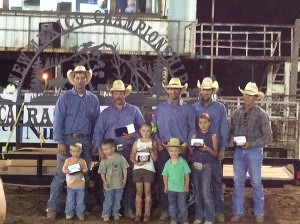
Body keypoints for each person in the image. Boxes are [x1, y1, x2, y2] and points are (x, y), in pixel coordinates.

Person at [46, 65, 100, 219]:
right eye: (77, 78)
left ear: (86, 80)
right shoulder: (64, 97)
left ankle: (80, 208)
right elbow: (58, 120)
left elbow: (96, 122)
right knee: (60, 175)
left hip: (86, 140)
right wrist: (60, 142)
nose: (80, 80)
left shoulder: (93, 99)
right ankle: (52, 207)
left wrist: (94, 141)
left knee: (84, 174)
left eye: (83, 78)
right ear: (73, 80)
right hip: (68, 139)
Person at [93, 80, 145, 219]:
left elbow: (145, 129)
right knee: (109, 180)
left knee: (129, 181)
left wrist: (134, 135)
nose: (119, 96)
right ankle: (107, 209)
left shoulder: (134, 111)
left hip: (129, 150)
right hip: (110, 151)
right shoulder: (106, 113)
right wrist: (99, 148)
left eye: (121, 93)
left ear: (125, 94)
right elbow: (98, 131)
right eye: (116, 93)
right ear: (112, 95)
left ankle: (128, 208)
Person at [152, 77, 195, 221]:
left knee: (181, 178)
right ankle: (166, 209)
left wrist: (187, 144)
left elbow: (192, 129)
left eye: (176, 88)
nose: (173, 91)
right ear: (167, 91)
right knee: (164, 179)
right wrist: (157, 141)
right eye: (170, 88)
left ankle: (182, 210)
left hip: (181, 148)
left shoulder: (188, 109)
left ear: (181, 90)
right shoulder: (160, 108)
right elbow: (153, 126)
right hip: (164, 148)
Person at [229, 82, 272, 223]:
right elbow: (232, 131)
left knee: (256, 182)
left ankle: (259, 212)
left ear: (255, 98)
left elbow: (268, 137)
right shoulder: (237, 113)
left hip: (254, 151)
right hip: (239, 151)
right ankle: (238, 211)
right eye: (245, 95)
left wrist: (252, 144)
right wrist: (231, 140)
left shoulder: (261, 115)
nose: (247, 97)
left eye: (250, 95)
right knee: (238, 181)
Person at [192, 77, 228, 223]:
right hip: (199, 151)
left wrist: (223, 149)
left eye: (208, 90)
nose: (205, 92)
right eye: (203, 89)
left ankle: (219, 211)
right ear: (200, 91)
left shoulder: (220, 108)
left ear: (212, 91)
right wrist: (191, 145)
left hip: (214, 149)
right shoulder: (194, 108)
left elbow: (224, 129)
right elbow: (192, 128)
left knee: (217, 182)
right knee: (201, 186)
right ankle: (202, 214)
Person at [190, 113, 218, 224]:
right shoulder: (194, 135)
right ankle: (199, 216)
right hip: (195, 166)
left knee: (206, 192)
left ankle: (210, 217)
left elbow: (215, 154)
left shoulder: (213, 136)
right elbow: (191, 153)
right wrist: (191, 148)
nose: (203, 125)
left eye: (205, 122)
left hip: (206, 167)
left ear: (209, 123)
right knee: (197, 192)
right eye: (200, 123)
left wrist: (207, 149)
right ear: (198, 123)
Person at [130, 122, 157, 222]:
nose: (145, 133)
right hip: (138, 169)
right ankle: (138, 214)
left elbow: (155, 159)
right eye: (143, 131)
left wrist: (151, 151)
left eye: (148, 131)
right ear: (140, 131)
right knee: (139, 191)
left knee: (148, 191)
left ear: (151, 132)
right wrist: (137, 162)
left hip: (149, 169)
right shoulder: (137, 142)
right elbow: (132, 156)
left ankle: (147, 214)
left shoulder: (152, 142)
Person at [98, 139, 129, 222]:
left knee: (118, 199)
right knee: (108, 199)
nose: (104, 151)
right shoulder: (104, 160)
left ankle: (115, 212)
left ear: (113, 148)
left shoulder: (120, 158)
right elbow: (102, 173)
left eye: (106, 149)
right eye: (103, 149)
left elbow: (124, 168)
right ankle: (106, 214)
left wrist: (124, 179)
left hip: (119, 184)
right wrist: (105, 181)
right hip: (109, 184)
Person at [162, 138, 191, 224]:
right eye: (171, 151)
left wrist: (186, 186)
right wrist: (166, 186)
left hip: (181, 189)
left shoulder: (183, 162)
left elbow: (187, 175)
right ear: (168, 152)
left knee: (182, 205)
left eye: (175, 151)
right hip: (171, 189)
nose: (173, 153)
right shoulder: (167, 163)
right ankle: (174, 219)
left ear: (179, 151)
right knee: (172, 206)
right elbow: (165, 175)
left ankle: (184, 219)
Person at [62, 142, 88, 221]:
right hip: (70, 184)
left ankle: (80, 213)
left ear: (81, 151)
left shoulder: (82, 161)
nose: (76, 153)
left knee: (80, 201)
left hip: (80, 184)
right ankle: (69, 213)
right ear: (70, 152)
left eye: (78, 151)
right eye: (73, 151)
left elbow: (86, 170)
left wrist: (82, 170)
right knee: (70, 200)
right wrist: (66, 171)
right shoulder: (68, 160)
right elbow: (64, 169)